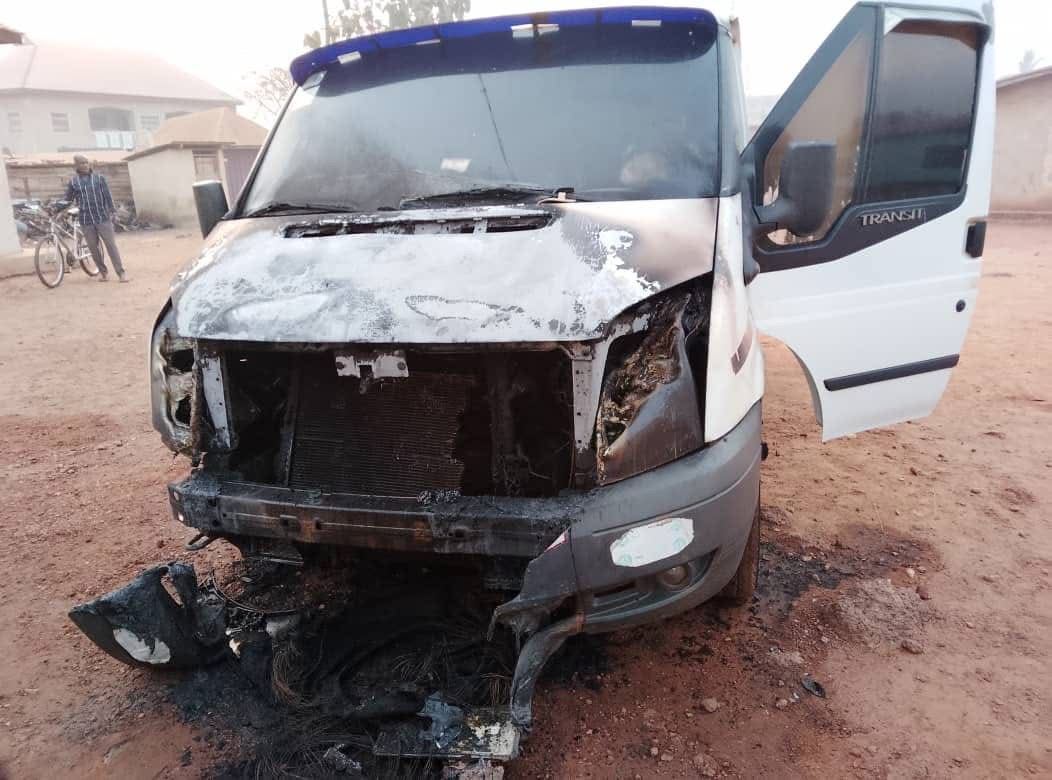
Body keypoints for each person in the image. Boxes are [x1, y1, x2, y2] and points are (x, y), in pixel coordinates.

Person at [65, 154, 127, 282]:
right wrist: (59, 208)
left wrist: (113, 212)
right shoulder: (73, 182)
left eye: (86, 162)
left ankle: (121, 273)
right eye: (81, 163)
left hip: (102, 218)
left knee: (111, 246)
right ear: (76, 166)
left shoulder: (99, 179)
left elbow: (108, 196)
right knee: (93, 249)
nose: (84, 165)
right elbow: (68, 199)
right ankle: (103, 273)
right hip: (86, 220)